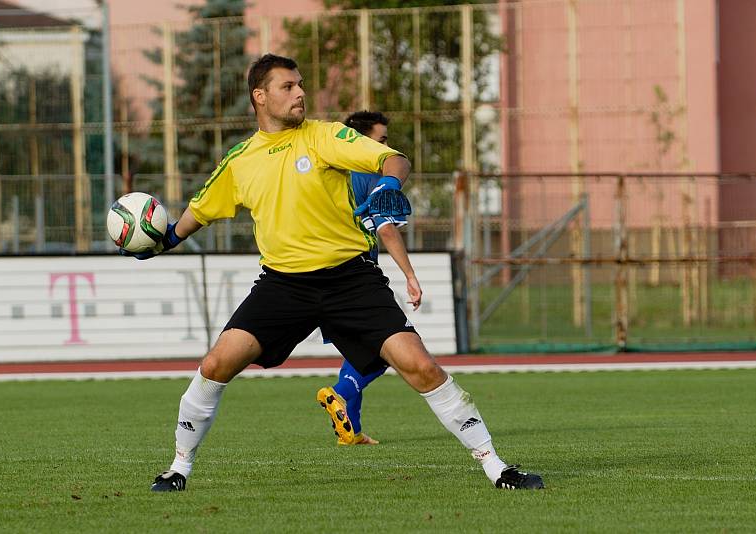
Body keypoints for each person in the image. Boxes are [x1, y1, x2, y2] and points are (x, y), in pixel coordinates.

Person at [126, 53, 543, 492]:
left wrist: (388, 184)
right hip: (283, 285)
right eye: (288, 86)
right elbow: (198, 212)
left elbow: (394, 159)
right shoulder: (239, 161)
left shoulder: (324, 137)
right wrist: (163, 241)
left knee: (420, 367)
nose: (300, 92)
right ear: (260, 96)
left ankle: (497, 466)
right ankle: (178, 468)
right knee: (215, 364)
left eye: (300, 83)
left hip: (351, 280)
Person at [316, 110, 420, 447]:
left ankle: (352, 431)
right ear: (362, 141)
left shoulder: (328, 170)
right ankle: (342, 393)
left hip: (319, 271)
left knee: (357, 350)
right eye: (382, 140)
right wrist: (409, 274)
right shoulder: (368, 171)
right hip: (357, 275)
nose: (387, 147)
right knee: (392, 350)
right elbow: (385, 227)